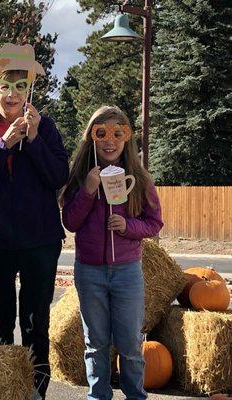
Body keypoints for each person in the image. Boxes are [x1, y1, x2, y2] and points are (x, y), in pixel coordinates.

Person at [0, 43, 69, 399]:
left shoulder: (46, 128)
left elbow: (58, 176)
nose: (11, 95)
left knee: (35, 321)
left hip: (40, 240)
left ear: (29, 89)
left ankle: (35, 391)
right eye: (4, 86)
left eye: (19, 86)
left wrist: (32, 138)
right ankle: (3, 390)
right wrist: (4, 145)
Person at [61, 106, 163, 400]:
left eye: (118, 133)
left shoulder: (140, 179)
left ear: (126, 138)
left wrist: (127, 226)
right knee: (96, 342)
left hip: (127, 271)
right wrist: (88, 190)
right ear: (91, 138)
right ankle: (98, 396)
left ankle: (135, 395)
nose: (110, 140)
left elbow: (155, 223)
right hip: (89, 271)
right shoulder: (82, 177)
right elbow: (70, 221)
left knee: (130, 342)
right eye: (102, 133)